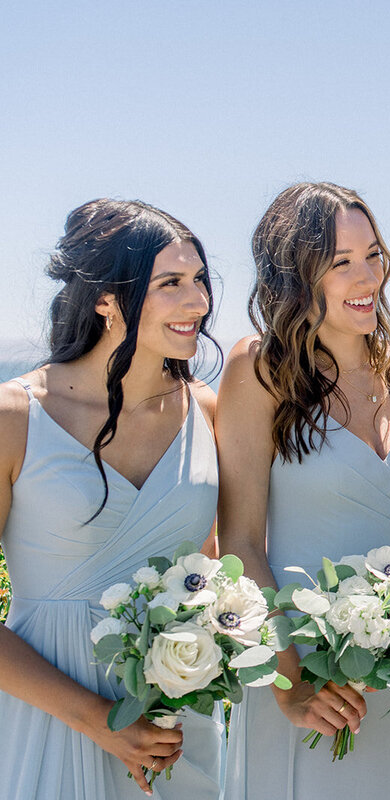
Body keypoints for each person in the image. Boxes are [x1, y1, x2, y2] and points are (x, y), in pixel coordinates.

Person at [219, 182, 390, 799]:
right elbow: (239, 540)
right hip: (306, 678)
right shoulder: (259, 370)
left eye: (373, 254)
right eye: (341, 263)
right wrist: (290, 684)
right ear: (295, 277)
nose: (367, 275)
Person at [0, 199, 223, 798]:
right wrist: (98, 720)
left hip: (173, 728)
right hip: (49, 718)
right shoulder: (15, 417)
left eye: (199, 280)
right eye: (171, 283)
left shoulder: (207, 411)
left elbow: (215, 572)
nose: (197, 301)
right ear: (104, 297)